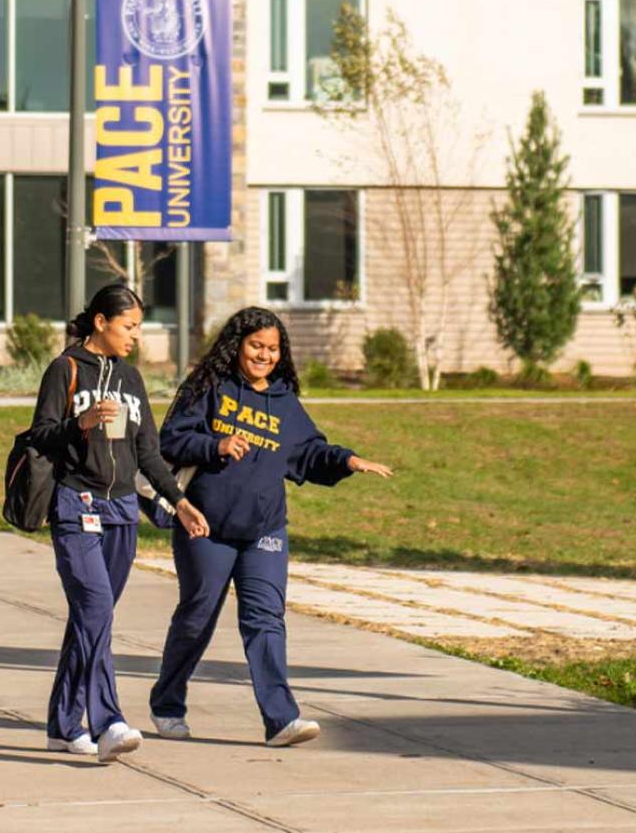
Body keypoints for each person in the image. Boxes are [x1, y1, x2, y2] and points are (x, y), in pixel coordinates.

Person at [149, 307, 392, 747]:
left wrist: (347, 460)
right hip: (205, 525)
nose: (264, 355)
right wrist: (216, 445)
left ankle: (281, 720)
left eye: (273, 349)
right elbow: (172, 438)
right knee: (198, 615)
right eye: (256, 346)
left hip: (265, 529)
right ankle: (167, 704)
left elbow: (308, 452)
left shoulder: (283, 400)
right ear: (237, 345)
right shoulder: (209, 387)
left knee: (265, 619)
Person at [30, 283, 209, 763]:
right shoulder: (65, 369)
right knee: (95, 608)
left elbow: (149, 452)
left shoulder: (130, 378)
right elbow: (41, 435)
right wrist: (81, 423)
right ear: (101, 322)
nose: (136, 336)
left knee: (91, 618)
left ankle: (63, 725)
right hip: (75, 504)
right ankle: (108, 720)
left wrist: (179, 502)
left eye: (138, 327)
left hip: (123, 511)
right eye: (129, 326)